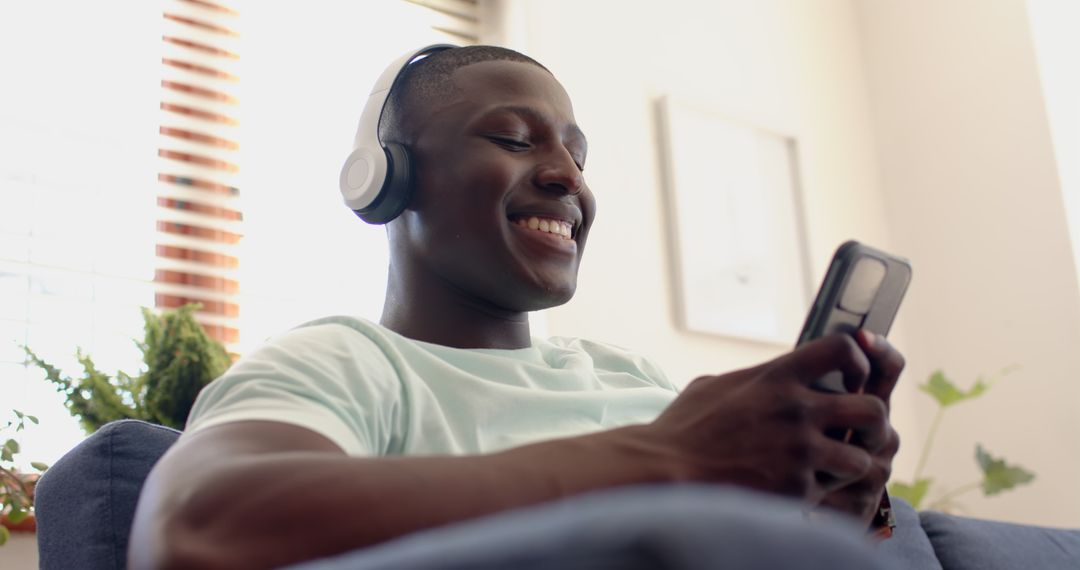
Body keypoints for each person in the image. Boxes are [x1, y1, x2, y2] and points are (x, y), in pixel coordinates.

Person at [128, 45, 902, 569]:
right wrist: (667, 457)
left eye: (577, 153)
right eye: (514, 138)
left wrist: (835, 514)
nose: (569, 175)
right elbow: (193, 526)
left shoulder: (629, 378)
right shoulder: (342, 363)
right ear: (389, 181)